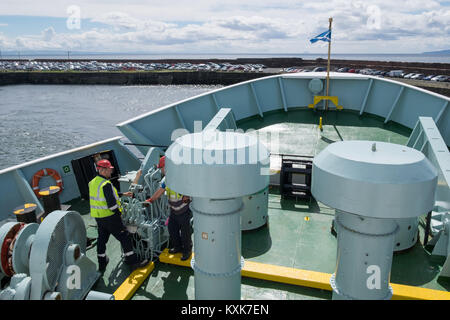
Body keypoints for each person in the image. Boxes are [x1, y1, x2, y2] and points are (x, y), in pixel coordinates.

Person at [89, 159, 148, 272]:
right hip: (110, 217)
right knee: (125, 237)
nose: (111, 172)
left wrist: (123, 194)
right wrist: (119, 215)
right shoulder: (106, 184)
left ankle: (102, 262)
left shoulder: (93, 182)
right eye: (109, 170)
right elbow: (112, 205)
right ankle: (132, 262)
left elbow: (105, 196)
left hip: (99, 218)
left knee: (102, 240)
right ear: (103, 170)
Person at [145, 156, 192, 261]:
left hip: (183, 210)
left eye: (161, 168)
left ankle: (187, 250)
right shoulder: (166, 179)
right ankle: (177, 247)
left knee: (185, 233)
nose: (160, 171)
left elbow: (190, 187)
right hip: (174, 211)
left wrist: (187, 196)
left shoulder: (180, 178)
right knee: (172, 229)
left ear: (166, 167)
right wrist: (151, 200)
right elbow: (160, 191)